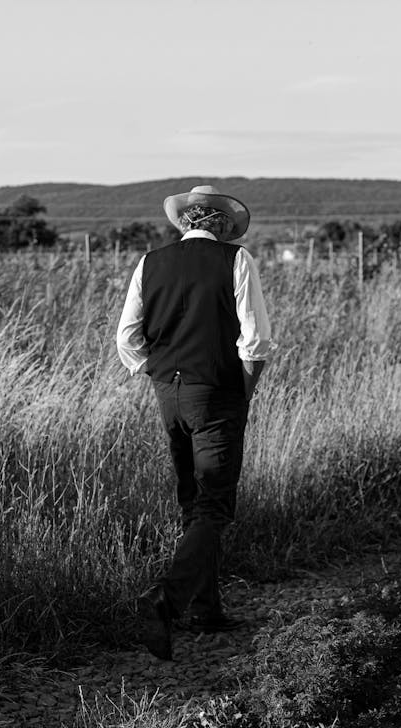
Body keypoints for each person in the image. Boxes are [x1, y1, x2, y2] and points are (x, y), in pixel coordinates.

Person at [116, 184, 271, 660]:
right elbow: (257, 340)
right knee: (215, 506)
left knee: (193, 500)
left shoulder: (149, 262)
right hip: (218, 393)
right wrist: (243, 391)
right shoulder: (235, 260)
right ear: (220, 224)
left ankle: (206, 610)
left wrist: (161, 376)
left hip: (170, 395)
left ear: (185, 222)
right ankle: (167, 599)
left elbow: (127, 339)